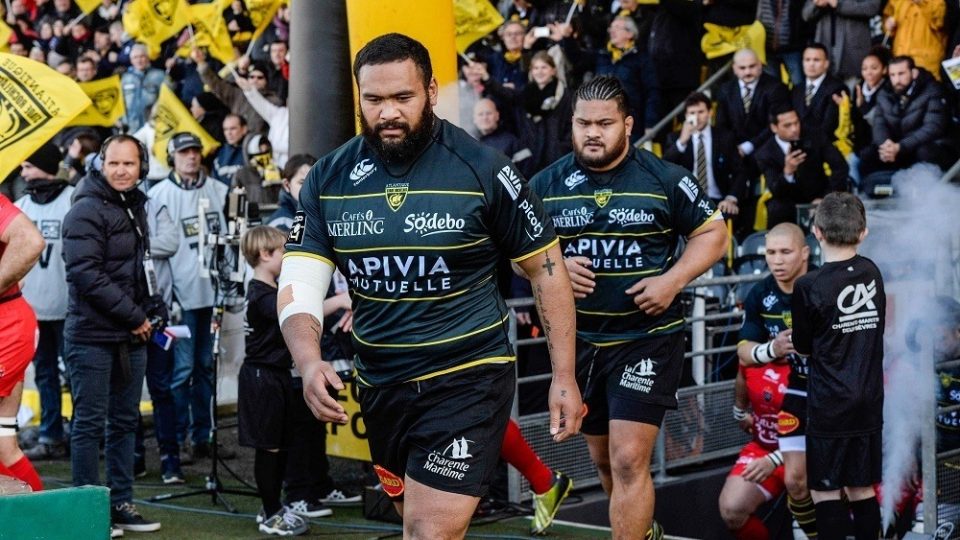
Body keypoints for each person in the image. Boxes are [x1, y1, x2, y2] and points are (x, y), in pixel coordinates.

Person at [277, 33, 583, 539]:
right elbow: (300, 280)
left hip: (467, 377)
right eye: (374, 100)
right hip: (381, 386)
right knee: (410, 522)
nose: (388, 113)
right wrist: (308, 361)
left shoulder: (484, 169)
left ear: (433, 92)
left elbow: (547, 270)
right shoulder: (329, 177)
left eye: (403, 97)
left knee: (427, 531)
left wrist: (563, 374)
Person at [529, 75, 728, 538]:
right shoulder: (545, 184)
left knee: (627, 457)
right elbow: (518, 251)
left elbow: (714, 233)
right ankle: (643, 531)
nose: (593, 133)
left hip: (646, 340)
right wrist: (549, 265)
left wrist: (672, 279)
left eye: (604, 123)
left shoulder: (665, 177)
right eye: (583, 123)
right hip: (579, 343)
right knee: (603, 459)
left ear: (629, 125)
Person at [62, 134, 162, 533]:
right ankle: (85, 511)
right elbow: (86, 274)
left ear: (142, 168)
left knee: (124, 423)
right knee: (88, 423)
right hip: (92, 336)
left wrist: (153, 308)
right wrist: (135, 316)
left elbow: (140, 267)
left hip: (130, 333)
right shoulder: (85, 210)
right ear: (100, 165)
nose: (122, 170)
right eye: (115, 163)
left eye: (130, 164)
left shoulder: (134, 204)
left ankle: (121, 503)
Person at [791, 192, 885, 539]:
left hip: (829, 404)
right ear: (863, 233)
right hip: (869, 401)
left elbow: (802, 347)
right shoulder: (872, 272)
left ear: (815, 232)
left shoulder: (808, 285)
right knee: (862, 489)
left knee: (826, 492)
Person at [147, 131, 228, 462]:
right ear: (172, 157)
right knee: (181, 370)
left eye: (195, 151)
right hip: (179, 298)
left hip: (214, 295)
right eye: (184, 153)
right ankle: (176, 438)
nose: (191, 157)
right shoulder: (158, 195)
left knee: (207, 367)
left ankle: (202, 435)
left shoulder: (220, 190)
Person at [735, 223, 817, 538]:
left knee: (839, 487)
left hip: (831, 392)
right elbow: (743, 351)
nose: (777, 260)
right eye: (770, 252)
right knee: (796, 482)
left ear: (805, 253)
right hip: (794, 392)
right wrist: (772, 349)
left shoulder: (825, 285)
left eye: (785, 252)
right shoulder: (761, 293)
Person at [238, 226, 313, 536]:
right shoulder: (261, 295)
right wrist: (340, 301)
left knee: (279, 445)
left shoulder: (270, 291)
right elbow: (295, 314)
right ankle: (271, 512)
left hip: (276, 375)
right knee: (268, 446)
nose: (288, 257)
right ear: (264, 254)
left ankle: (274, 505)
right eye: (284, 251)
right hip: (262, 377)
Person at [14, 143, 74, 461]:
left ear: (45, 167)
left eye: (28, 166)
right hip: (33, 308)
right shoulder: (21, 204)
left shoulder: (73, 200)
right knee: (46, 373)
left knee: (76, 374)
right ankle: (51, 434)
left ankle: (81, 434)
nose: (23, 173)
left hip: (68, 306)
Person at [0, 184, 45, 495]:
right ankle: (49, 525)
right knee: (3, 444)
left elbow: (30, 242)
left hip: (7, 327)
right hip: (11, 321)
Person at [719, 342, 790, 538]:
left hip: (807, 454)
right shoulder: (751, 357)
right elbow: (742, 374)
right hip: (763, 449)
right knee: (732, 509)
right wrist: (739, 412)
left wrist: (775, 460)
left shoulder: (813, 364)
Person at [857, 56, 952, 192]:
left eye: (901, 74)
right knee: (868, 154)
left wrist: (901, 146)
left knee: (925, 152)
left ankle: (927, 193)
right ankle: (871, 192)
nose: (897, 80)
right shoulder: (885, 93)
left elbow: (933, 128)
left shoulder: (932, 89)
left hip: (924, 147)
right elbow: (879, 124)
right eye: (892, 75)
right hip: (899, 149)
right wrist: (886, 145)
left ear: (913, 73)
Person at [755, 105, 849, 227]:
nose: (794, 129)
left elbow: (840, 167)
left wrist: (825, 198)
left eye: (796, 123)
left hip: (820, 194)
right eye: (787, 125)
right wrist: (787, 172)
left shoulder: (816, 136)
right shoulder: (765, 153)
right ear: (774, 127)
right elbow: (776, 189)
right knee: (776, 209)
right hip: (788, 202)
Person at [663, 92, 747, 218]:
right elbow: (665, 168)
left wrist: (731, 198)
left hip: (718, 200)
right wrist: (682, 142)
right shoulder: (675, 138)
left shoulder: (725, 137)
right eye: (692, 113)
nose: (697, 117)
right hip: (686, 200)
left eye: (701, 112)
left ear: (710, 112)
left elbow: (740, 171)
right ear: (686, 116)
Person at [801, 0, 881, 82]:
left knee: (852, 89)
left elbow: (872, 8)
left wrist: (838, 4)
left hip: (852, 54)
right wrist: (816, 4)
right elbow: (806, 15)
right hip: (825, 50)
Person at [791, 43, 846, 140]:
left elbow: (828, 127)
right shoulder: (796, 89)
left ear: (826, 64)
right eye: (807, 60)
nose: (811, 64)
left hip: (824, 146)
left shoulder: (837, 89)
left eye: (816, 60)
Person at [121, 43, 168, 133]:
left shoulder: (160, 76)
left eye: (142, 56)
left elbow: (167, 99)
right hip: (131, 127)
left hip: (153, 126)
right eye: (135, 57)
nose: (139, 60)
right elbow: (120, 102)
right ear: (131, 60)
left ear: (147, 57)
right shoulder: (125, 79)